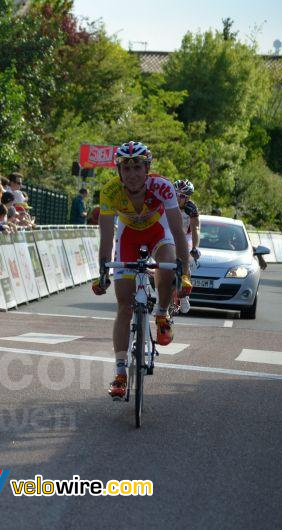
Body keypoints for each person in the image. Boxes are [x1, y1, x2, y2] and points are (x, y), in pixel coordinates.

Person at [92, 141, 192, 399]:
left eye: (137, 167)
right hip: (128, 237)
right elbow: (105, 237)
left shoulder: (162, 186)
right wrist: (103, 272)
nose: (132, 174)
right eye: (126, 168)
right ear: (119, 171)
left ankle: (161, 313)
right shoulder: (110, 192)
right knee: (124, 305)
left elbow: (178, 233)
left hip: (158, 232)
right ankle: (121, 372)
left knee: (167, 266)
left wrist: (185, 272)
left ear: (147, 168)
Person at [175, 179, 201, 313]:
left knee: (184, 254)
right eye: (176, 194)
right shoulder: (168, 204)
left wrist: (194, 248)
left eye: (182, 196)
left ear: (188, 198)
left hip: (186, 235)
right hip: (171, 234)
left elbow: (195, 229)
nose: (178, 198)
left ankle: (184, 295)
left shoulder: (191, 208)